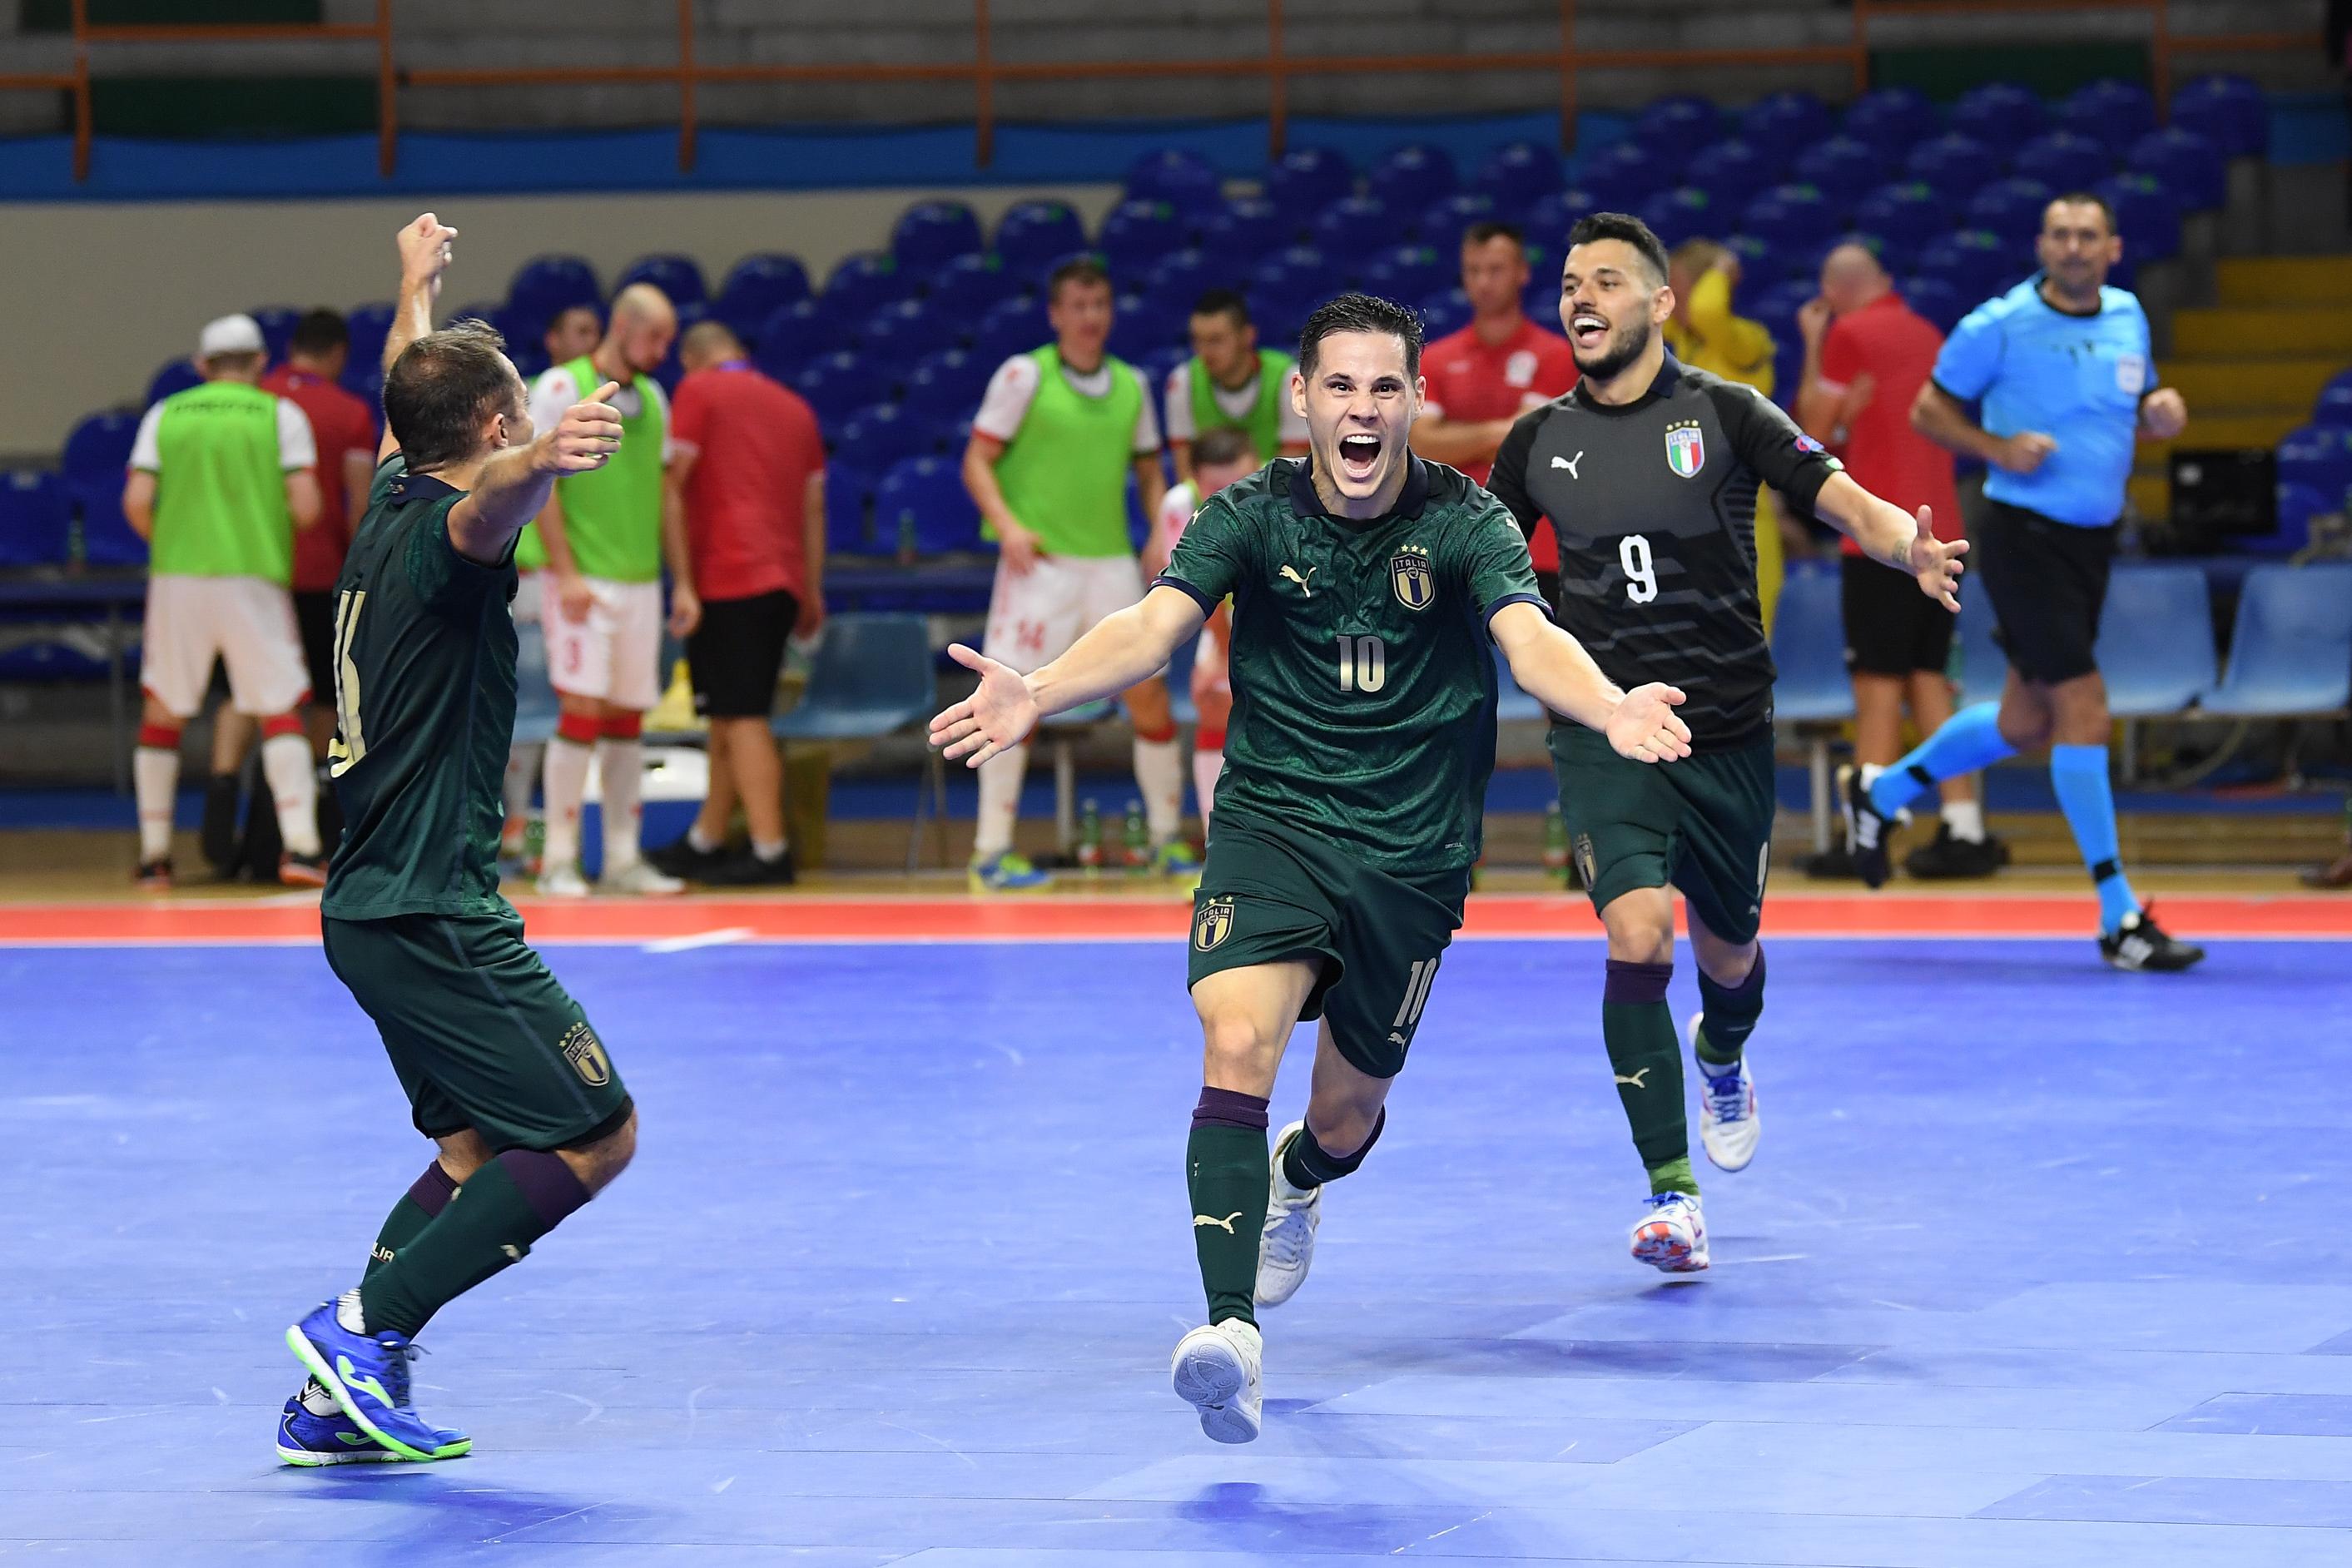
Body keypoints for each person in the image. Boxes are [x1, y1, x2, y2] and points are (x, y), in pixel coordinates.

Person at [934, 293, 1693, 1445]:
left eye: (1384, 387)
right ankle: (1229, 1334)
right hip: (1274, 826)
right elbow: (1153, 624)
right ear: (1301, 399)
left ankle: (1298, 1174)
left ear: (1413, 403)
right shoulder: (1246, 515)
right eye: (1339, 385)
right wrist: (1035, 690)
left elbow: (1528, 640)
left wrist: (1606, 702)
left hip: (1412, 854)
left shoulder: (1465, 522)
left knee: (1344, 1117)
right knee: (1235, 1038)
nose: (1361, 408)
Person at [1488, 213, 1967, 1273]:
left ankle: (1723, 1053)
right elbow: (1485, 563)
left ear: (1659, 304)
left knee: (1730, 952)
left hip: (1727, 730)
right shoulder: (1536, 442)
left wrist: (1905, 547)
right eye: (1571, 282)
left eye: (1607, 280)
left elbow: (1840, 497)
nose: (1582, 298)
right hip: (1608, 725)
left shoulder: (1727, 412)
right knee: (1638, 937)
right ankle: (1672, 1196)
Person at [280, 213, 638, 1466]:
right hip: (432, 908)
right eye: (516, 411)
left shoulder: (390, 481)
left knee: (475, 1149)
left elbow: (410, 401)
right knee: (596, 1131)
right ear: (490, 430)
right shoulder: (450, 534)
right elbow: (488, 508)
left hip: (369, 905)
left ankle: (336, 1400)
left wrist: (410, 291)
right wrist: (545, 454)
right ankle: (363, 1326)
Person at [1850, 193, 2205, 972]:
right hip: (2022, 538)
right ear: (2042, 244)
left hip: (2092, 543)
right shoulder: (1999, 324)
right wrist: (1996, 447)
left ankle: (1878, 795)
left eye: (2089, 235)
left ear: (2112, 247)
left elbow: (2135, 395)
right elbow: (1926, 410)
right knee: (2083, 706)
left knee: (2023, 722)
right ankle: (2119, 917)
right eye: (2060, 235)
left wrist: (2158, 408)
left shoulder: (2128, 314)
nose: (2074, 247)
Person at [960, 256, 1194, 891]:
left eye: (1100, 306)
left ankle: (1168, 841)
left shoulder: (1131, 385)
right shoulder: (1023, 376)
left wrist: (1158, 532)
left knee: (1147, 691)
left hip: (1111, 562)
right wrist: (1007, 525)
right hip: (1040, 567)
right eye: (1078, 307)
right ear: (1056, 314)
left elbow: (1151, 470)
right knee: (1010, 695)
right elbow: (977, 460)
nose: (1090, 318)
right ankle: (991, 852)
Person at [1793, 243, 1997, 880]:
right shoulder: (1926, 331)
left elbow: (1805, 432)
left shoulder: (1847, 333)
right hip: (1944, 536)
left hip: (1884, 540)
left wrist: (1813, 341)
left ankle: (1868, 832)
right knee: (1929, 679)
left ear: (1833, 290)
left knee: (1878, 688)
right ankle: (1966, 830)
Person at [122, 313, 327, 891]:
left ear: (201, 367)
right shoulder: (279, 415)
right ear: (261, 363)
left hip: (177, 581)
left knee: (163, 709)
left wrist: (176, 542)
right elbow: (307, 505)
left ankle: (154, 857)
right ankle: (302, 850)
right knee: (282, 706)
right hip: (253, 579)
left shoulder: (166, 415)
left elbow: (137, 500)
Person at [521, 283, 690, 898]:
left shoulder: (656, 397)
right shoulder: (562, 387)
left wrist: (684, 582)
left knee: (627, 719)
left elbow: (667, 494)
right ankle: (560, 859)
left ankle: (622, 858)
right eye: (655, 337)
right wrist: (563, 571)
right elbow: (540, 479)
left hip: (641, 582)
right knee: (580, 711)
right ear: (622, 326)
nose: (664, 350)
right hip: (582, 581)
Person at [646, 320, 826, 886]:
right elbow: (813, 507)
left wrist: (683, 581)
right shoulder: (796, 408)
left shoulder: (698, 390)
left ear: (692, 358)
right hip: (781, 579)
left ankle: (771, 850)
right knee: (728, 713)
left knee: (743, 718)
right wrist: (812, 586)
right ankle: (706, 837)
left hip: (728, 575)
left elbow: (671, 488)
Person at [1409, 221, 1578, 601]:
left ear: (1522, 272)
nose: (1484, 282)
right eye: (1474, 270)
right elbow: (1419, 446)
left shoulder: (1556, 355)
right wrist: (1499, 434)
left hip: (1537, 548)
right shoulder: (1436, 358)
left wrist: (1455, 437)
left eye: (1496, 269)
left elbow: (1529, 442)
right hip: (1454, 543)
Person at [265, 310, 381, 763]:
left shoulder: (258, 399)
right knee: (323, 690)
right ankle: (315, 789)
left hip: (259, 571)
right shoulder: (349, 413)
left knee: (261, 694)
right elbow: (359, 501)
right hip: (321, 572)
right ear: (338, 354)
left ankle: (262, 797)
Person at [1665, 238, 1794, 638]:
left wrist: (1721, 267)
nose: (1669, 297)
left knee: (1743, 653)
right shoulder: (1684, 347)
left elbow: (1706, 312)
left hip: (1742, 524)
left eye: (1679, 287)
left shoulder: (1745, 341)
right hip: (1689, 522)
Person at [1142, 426, 1260, 823]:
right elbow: (1196, 589)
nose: (1229, 496)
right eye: (1215, 486)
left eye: (1238, 482)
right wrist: (1224, 656)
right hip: (1226, 611)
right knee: (1213, 702)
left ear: (1256, 466)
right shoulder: (1181, 505)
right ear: (1193, 479)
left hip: (1288, 612)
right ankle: (1219, 840)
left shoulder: (1289, 490)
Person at [1163, 289, 1309, 479]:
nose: (1204, 351)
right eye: (1197, 340)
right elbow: (1187, 475)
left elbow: (1290, 472)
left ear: (1248, 335)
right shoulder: (1183, 383)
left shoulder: (1288, 380)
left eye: (1216, 340)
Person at [543, 303, 601, 369]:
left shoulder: (610, 379)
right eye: (583, 332)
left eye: (600, 333)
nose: (594, 340)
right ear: (553, 340)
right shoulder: (536, 379)